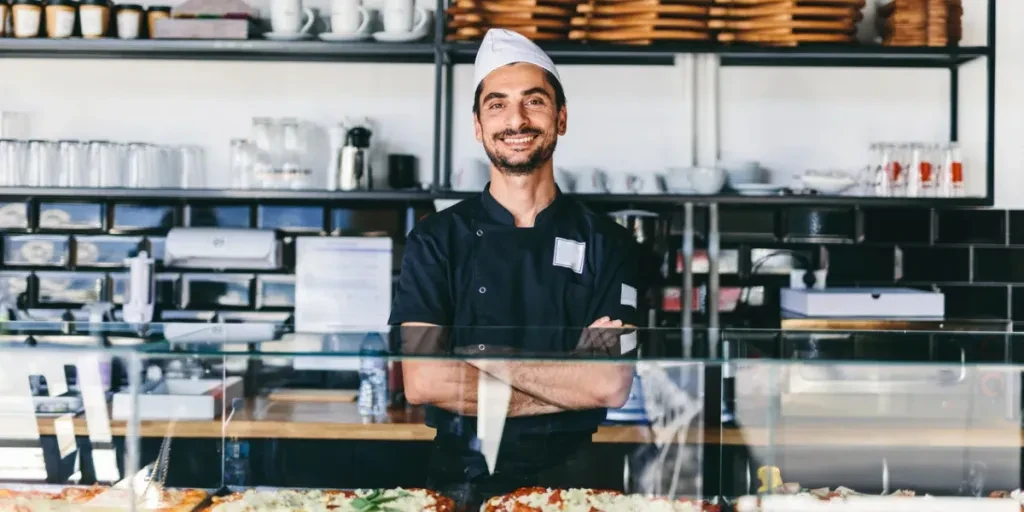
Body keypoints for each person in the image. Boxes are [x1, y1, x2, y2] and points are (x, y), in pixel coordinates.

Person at [389, 28, 643, 510]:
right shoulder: (434, 240)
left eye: (535, 102)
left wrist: (482, 357)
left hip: (580, 483)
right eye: (497, 105)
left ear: (561, 118)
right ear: (478, 126)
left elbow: (610, 384)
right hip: (460, 480)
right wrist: (570, 383)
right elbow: (422, 380)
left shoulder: (610, 244)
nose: (516, 120)